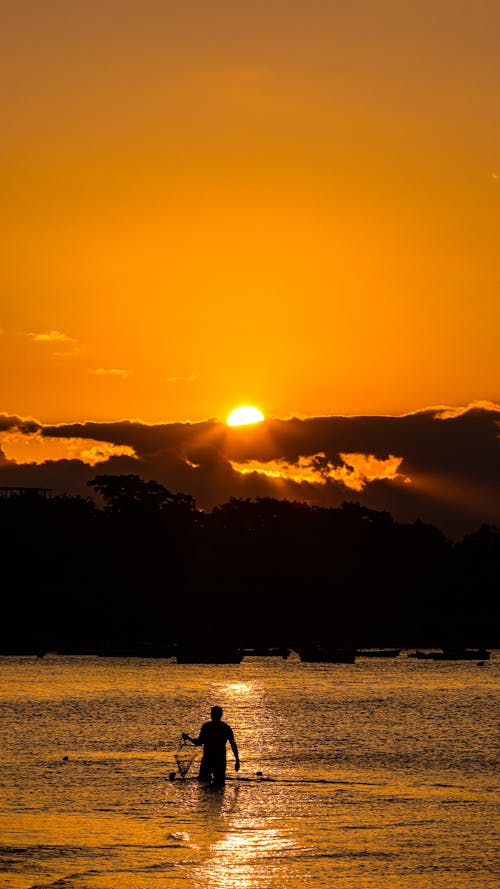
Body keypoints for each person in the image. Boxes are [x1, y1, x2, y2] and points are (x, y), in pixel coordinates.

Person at [182, 705, 240, 785]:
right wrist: (237, 760)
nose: (212, 715)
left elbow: (198, 742)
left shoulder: (207, 726)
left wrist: (188, 738)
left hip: (208, 760)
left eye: (213, 714)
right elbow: (233, 745)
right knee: (219, 785)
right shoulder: (226, 728)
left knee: (203, 784)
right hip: (220, 760)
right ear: (221, 715)